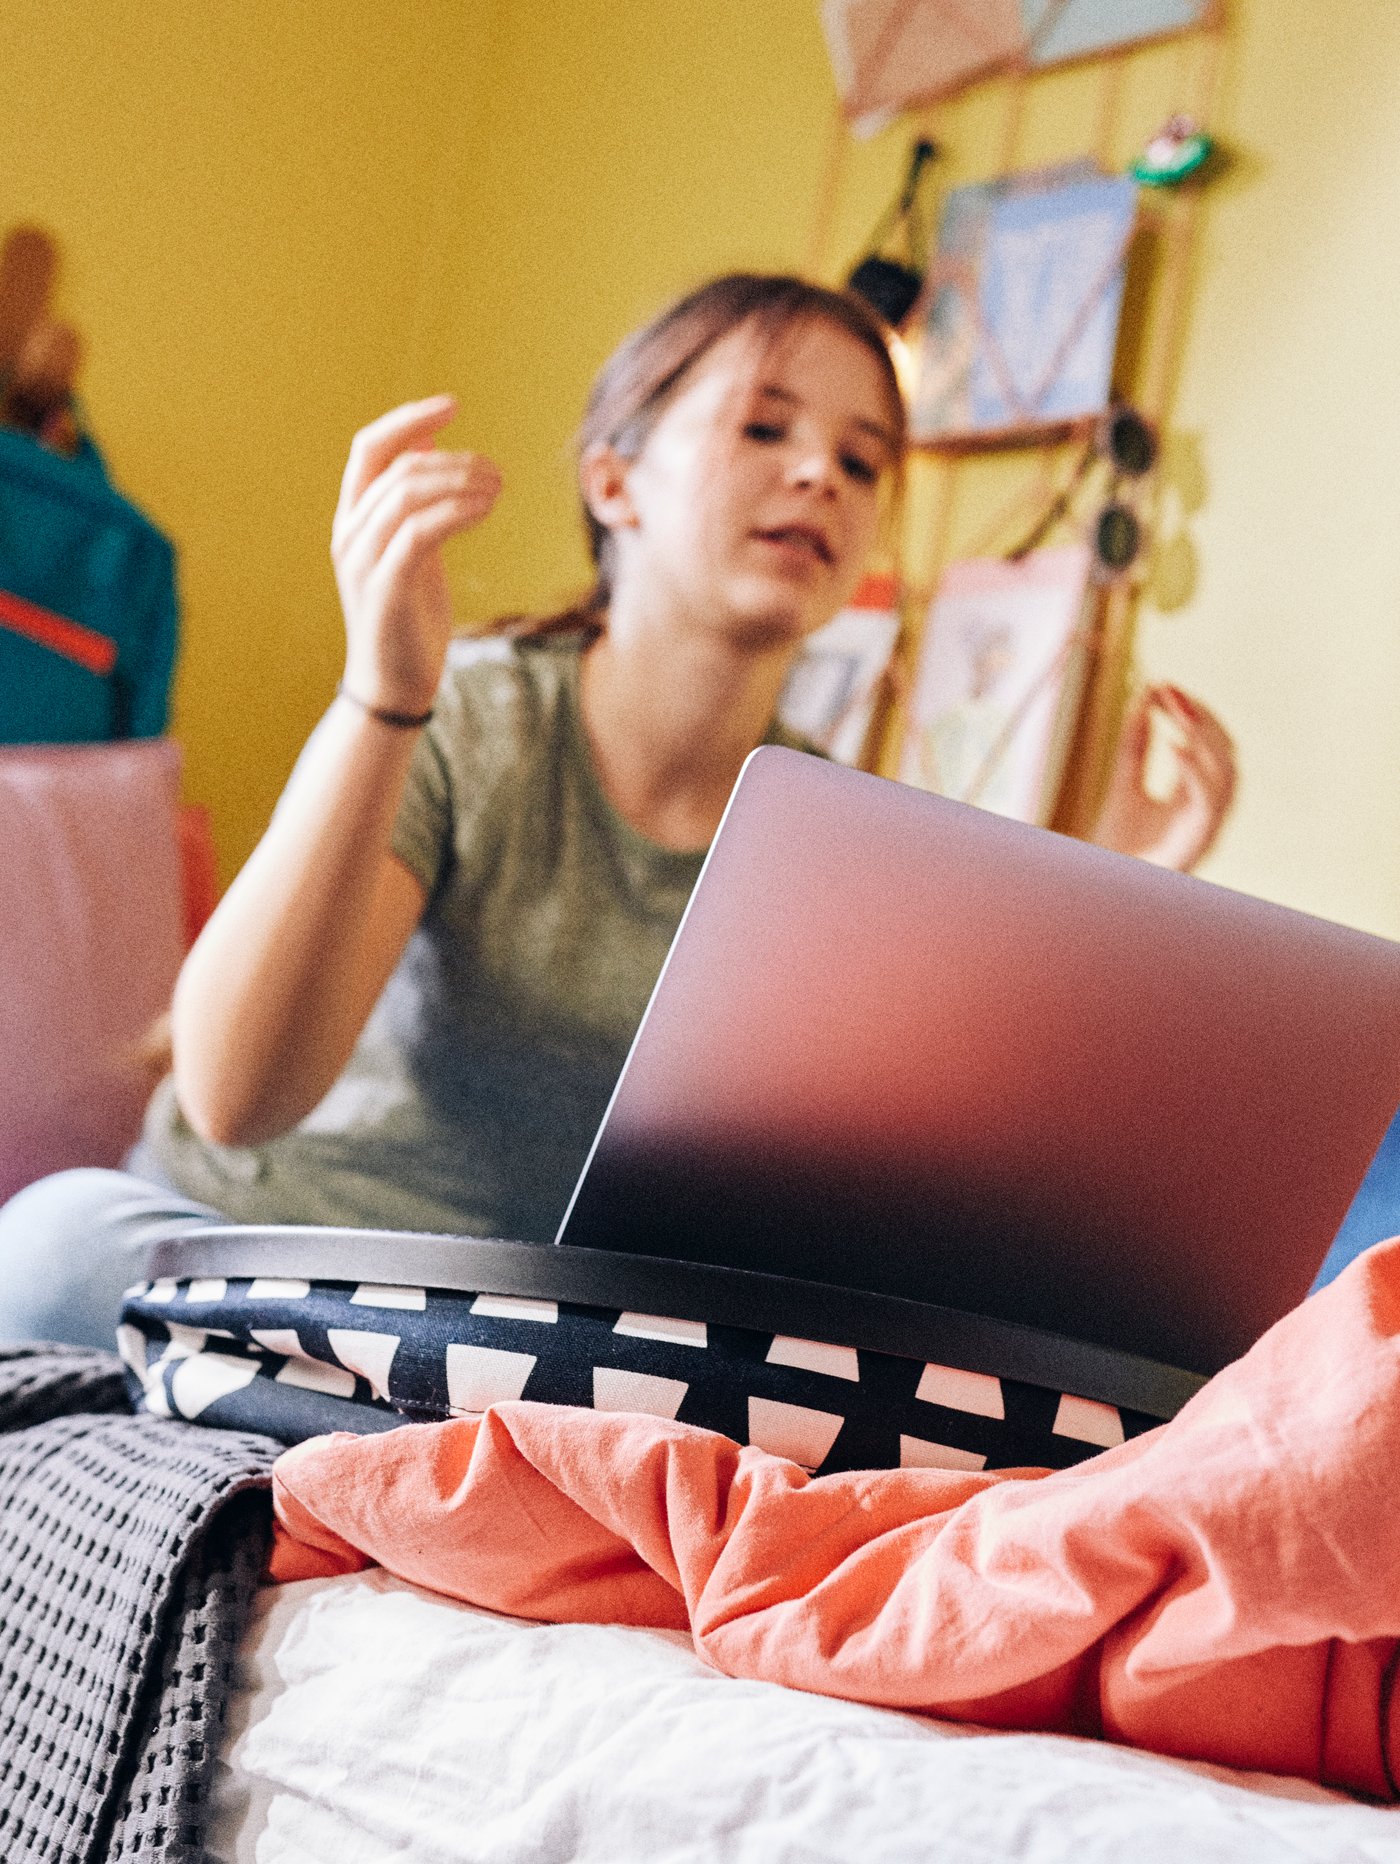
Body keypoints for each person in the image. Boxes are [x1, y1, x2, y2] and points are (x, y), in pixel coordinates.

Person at [0, 273, 1236, 1350]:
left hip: (522, 1325)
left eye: (860, 462)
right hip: (262, 1254)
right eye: (765, 427)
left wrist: (1118, 906)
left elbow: (909, 1209)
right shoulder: (472, 713)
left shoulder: (834, 836)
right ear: (615, 481)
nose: (820, 472)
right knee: (52, 1247)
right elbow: (234, 1096)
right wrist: (384, 699)